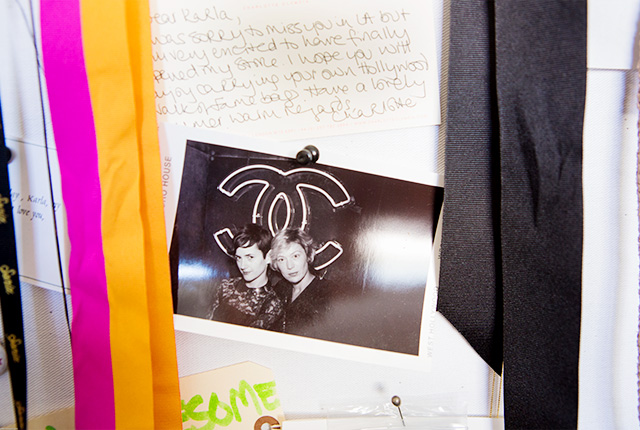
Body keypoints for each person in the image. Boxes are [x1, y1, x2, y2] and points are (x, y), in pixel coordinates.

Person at [208, 223, 283, 331]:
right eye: (239, 258)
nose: (243, 265)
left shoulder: (272, 304)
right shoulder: (226, 286)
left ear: (268, 257)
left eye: (250, 257)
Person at [271, 227, 334, 336]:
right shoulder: (279, 289)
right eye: (282, 259)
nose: (289, 266)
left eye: (295, 256)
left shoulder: (328, 293)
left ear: (308, 255)